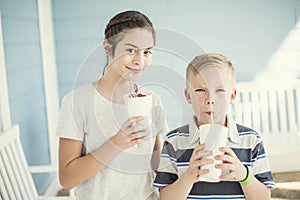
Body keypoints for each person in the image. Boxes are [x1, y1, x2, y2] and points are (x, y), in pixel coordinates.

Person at [57, 10, 168, 200]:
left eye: (147, 52)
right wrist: (117, 143)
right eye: (131, 50)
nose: (140, 61)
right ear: (107, 48)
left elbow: (158, 166)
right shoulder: (77, 102)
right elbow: (67, 179)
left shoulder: (153, 100)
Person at [153, 53, 275, 199]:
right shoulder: (174, 141)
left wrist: (244, 175)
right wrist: (189, 177)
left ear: (232, 96)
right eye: (200, 90)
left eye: (220, 90)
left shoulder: (250, 140)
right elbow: (165, 197)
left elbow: (264, 197)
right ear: (188, 96)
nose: (210, 99)